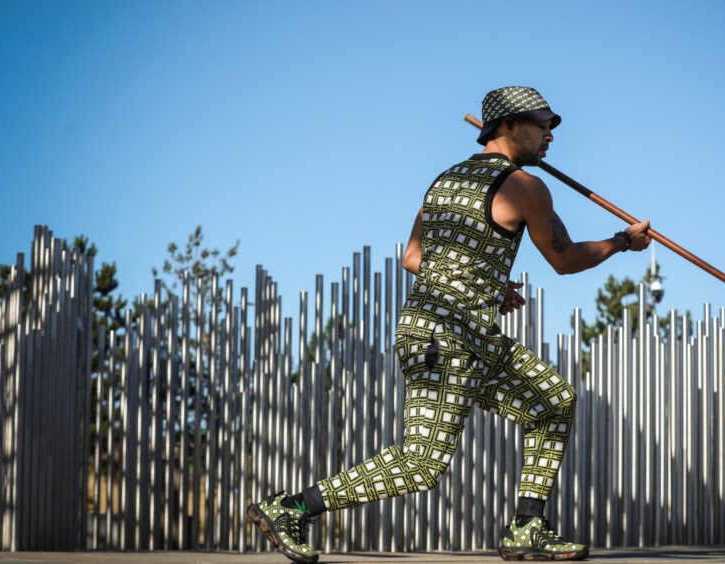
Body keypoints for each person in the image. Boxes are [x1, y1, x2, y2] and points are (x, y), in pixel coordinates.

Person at [248, 86, 652, 563]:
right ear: (507, 126)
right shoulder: (524, 185)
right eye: (541, 125)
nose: (549, 136)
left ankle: (526, 526)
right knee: (421, 462)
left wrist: (485, 282)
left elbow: (413, 256)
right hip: (449, 337)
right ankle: (290, 507)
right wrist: (621, 242)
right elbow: (563, 260)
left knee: (553, 401)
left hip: (452, 333)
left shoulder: (443, 182)